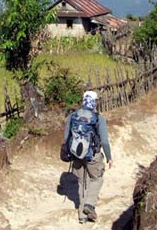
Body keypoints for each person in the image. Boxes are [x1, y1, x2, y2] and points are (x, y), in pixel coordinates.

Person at [63, 90, 113, 224]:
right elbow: (104, 141)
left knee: (81, 182)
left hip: (76, 155)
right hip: (93, 156)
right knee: (97, 179)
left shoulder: (73, 116)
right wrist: (109, 157)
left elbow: (66, 137)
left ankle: (82, 216)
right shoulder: (98, 118)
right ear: (94, 102)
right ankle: (89, 205)